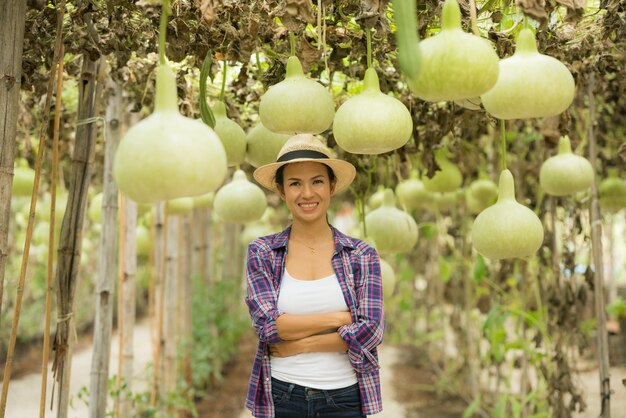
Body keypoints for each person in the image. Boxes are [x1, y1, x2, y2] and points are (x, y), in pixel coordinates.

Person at [244, 133, 385, 418]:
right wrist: (340, 319)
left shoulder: (361, 254)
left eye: (317, 181)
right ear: (282, 191)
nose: (307, 193)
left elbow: (370, 331)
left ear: (332, 186)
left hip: (345, 398)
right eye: (295, 183)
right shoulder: (263, 252)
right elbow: (267, 327)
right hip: (282, 396)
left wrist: (302, 344)